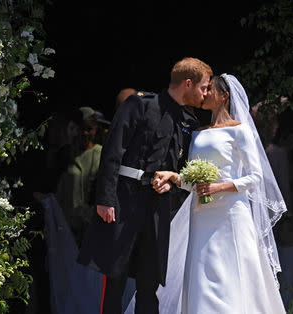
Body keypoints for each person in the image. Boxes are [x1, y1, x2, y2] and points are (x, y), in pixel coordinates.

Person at [140, 74, 287, 313]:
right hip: (201, 215)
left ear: (224, 96)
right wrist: (174, 177)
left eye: (210, 90)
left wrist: (219, 187)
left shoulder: (239, 131)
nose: (204, 93)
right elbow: (194, 181)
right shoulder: (198, 133)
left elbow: (255, 177)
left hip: (230, 213)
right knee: (201, 275)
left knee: (231, 275)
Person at [77, 57, 213, 314]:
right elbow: (113, 150)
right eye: (204, 87)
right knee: (115, 278)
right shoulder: (140, 103)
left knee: (149, 282)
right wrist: (105, 198)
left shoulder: (188, 121)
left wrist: (171, 184)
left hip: (158, 207)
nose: (205, 94)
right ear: (188, 83)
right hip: (124, 201)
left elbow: (182, 168)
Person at [56, 106, 110, 247]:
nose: (85, 133)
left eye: (89, 129)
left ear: (95, 129)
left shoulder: (101, 154)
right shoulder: (65, 154)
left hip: (90, 228)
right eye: (81, 128)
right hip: (65, 229)